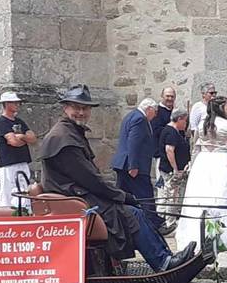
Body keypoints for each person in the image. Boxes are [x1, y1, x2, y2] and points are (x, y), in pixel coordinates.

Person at [39, 85, 195, 271]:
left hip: (80, 195)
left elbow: (90, 177)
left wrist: (119, 195)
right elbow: (90, 179)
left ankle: (166, 257)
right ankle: (163, 262)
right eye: (76, 107)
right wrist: (121, 195)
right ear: (65, 108)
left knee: (136, 211)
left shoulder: (69, 133)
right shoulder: (63, 139)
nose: (81, 112)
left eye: (85, 108)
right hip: (77, 199)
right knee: (133, 214)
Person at [177, 96, 227, 250]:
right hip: (222, 161)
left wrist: (193, 164)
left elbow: (196, 147)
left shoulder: (201, 125)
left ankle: (202, 233)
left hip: (203, 162)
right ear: (221, 108)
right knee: (222, 197)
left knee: (202, 196)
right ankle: (222, 234)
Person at [111, 98, 162, 227]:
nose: (155, 115)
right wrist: (133, 166)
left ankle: (117, 220)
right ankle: (153, 223)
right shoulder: (140, 119)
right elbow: (134, 143)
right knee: (145, 194)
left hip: (124, 164)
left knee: (121, 195)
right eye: (155, 112)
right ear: (149, 109)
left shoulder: (131, 116)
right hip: (133, 166)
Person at [0, 91, 37, 210]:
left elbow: (33, 138)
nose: (17, 105)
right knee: (9, 192)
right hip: (10, 163)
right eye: (14, 102)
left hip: (22, 161)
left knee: (23, 189)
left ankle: (24, 211)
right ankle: (8, 215)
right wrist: (23, 139)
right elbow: (13, 142)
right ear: (7, 104)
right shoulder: (2, 122)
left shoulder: (19, 121)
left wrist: (22, 137)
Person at [156, 108, 191, 234]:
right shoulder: (171, 132)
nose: (186, 124)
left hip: (172, 169)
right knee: (172, 197)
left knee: (168, 196)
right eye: (185, 121)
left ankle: (164, 222)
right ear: (180, 119)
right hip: (171, 171)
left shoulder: (174, 131)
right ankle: (169, 223)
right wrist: (176, 169)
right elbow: (169, 150)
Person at [150, 86, 177, 174]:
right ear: (162, 96)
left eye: (172, 96)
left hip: (175, 153)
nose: (170, 99)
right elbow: (156, 130)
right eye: (167, 96)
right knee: (162, 183)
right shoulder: (157, 112)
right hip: (161, 154)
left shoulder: (175, 112)